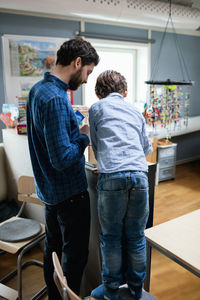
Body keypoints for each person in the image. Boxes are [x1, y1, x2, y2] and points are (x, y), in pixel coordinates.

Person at [26, 37, 99, 300]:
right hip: (69, 195)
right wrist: (83, 135)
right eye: (88, 71)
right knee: (74, 257)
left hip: (49, 192)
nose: (87, 79)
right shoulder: (57, 99)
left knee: (53, 252)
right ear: (77, 63)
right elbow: (62, 158)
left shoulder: (37, 90)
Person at [89, 70, 153, 300]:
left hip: (112, 177)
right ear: (125, 92)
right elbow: (146, 149)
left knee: (112, 237)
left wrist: (105, 162)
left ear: (98, 94)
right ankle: (136, 289)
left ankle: (111, 288)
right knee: (136, 236)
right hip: (139, 175)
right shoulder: (136, 112)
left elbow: (96, 145)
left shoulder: (97, 109)